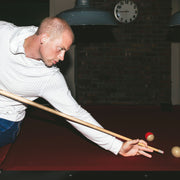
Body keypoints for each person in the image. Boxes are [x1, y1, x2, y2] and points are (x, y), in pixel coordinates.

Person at [0, 17, 153, 158]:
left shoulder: (49, 78)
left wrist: (118, 146)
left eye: (65, 51)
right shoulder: (3, 33)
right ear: (44, 38)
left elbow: (77, 115)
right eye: (60, 49)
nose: (62, 57)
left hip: (6, 120)